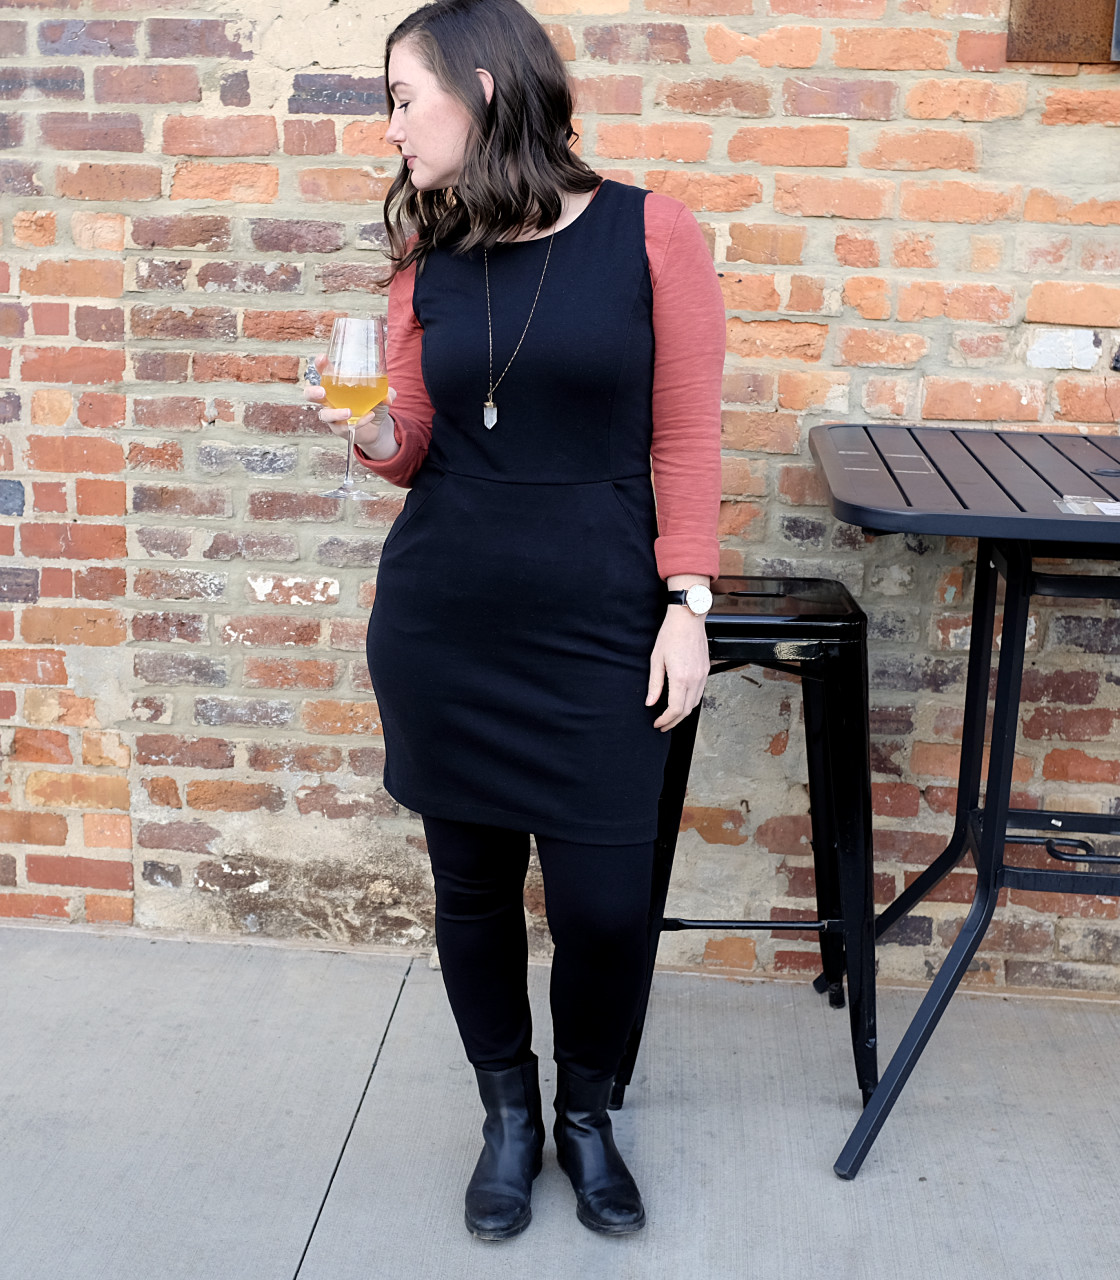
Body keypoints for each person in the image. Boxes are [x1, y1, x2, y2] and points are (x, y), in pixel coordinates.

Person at [305, 0, 723, 1242]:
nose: (389, 126)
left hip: (601, 615)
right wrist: (369, 431)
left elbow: (688, 436)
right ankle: (510, 1116)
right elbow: (412, 447)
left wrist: (687, 602)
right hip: (446, 618)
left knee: (604, 899)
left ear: (484, 88)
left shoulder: (655, 232)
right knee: (473, 885)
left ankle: (588, 1109)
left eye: (400, 97)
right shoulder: (425, 259)